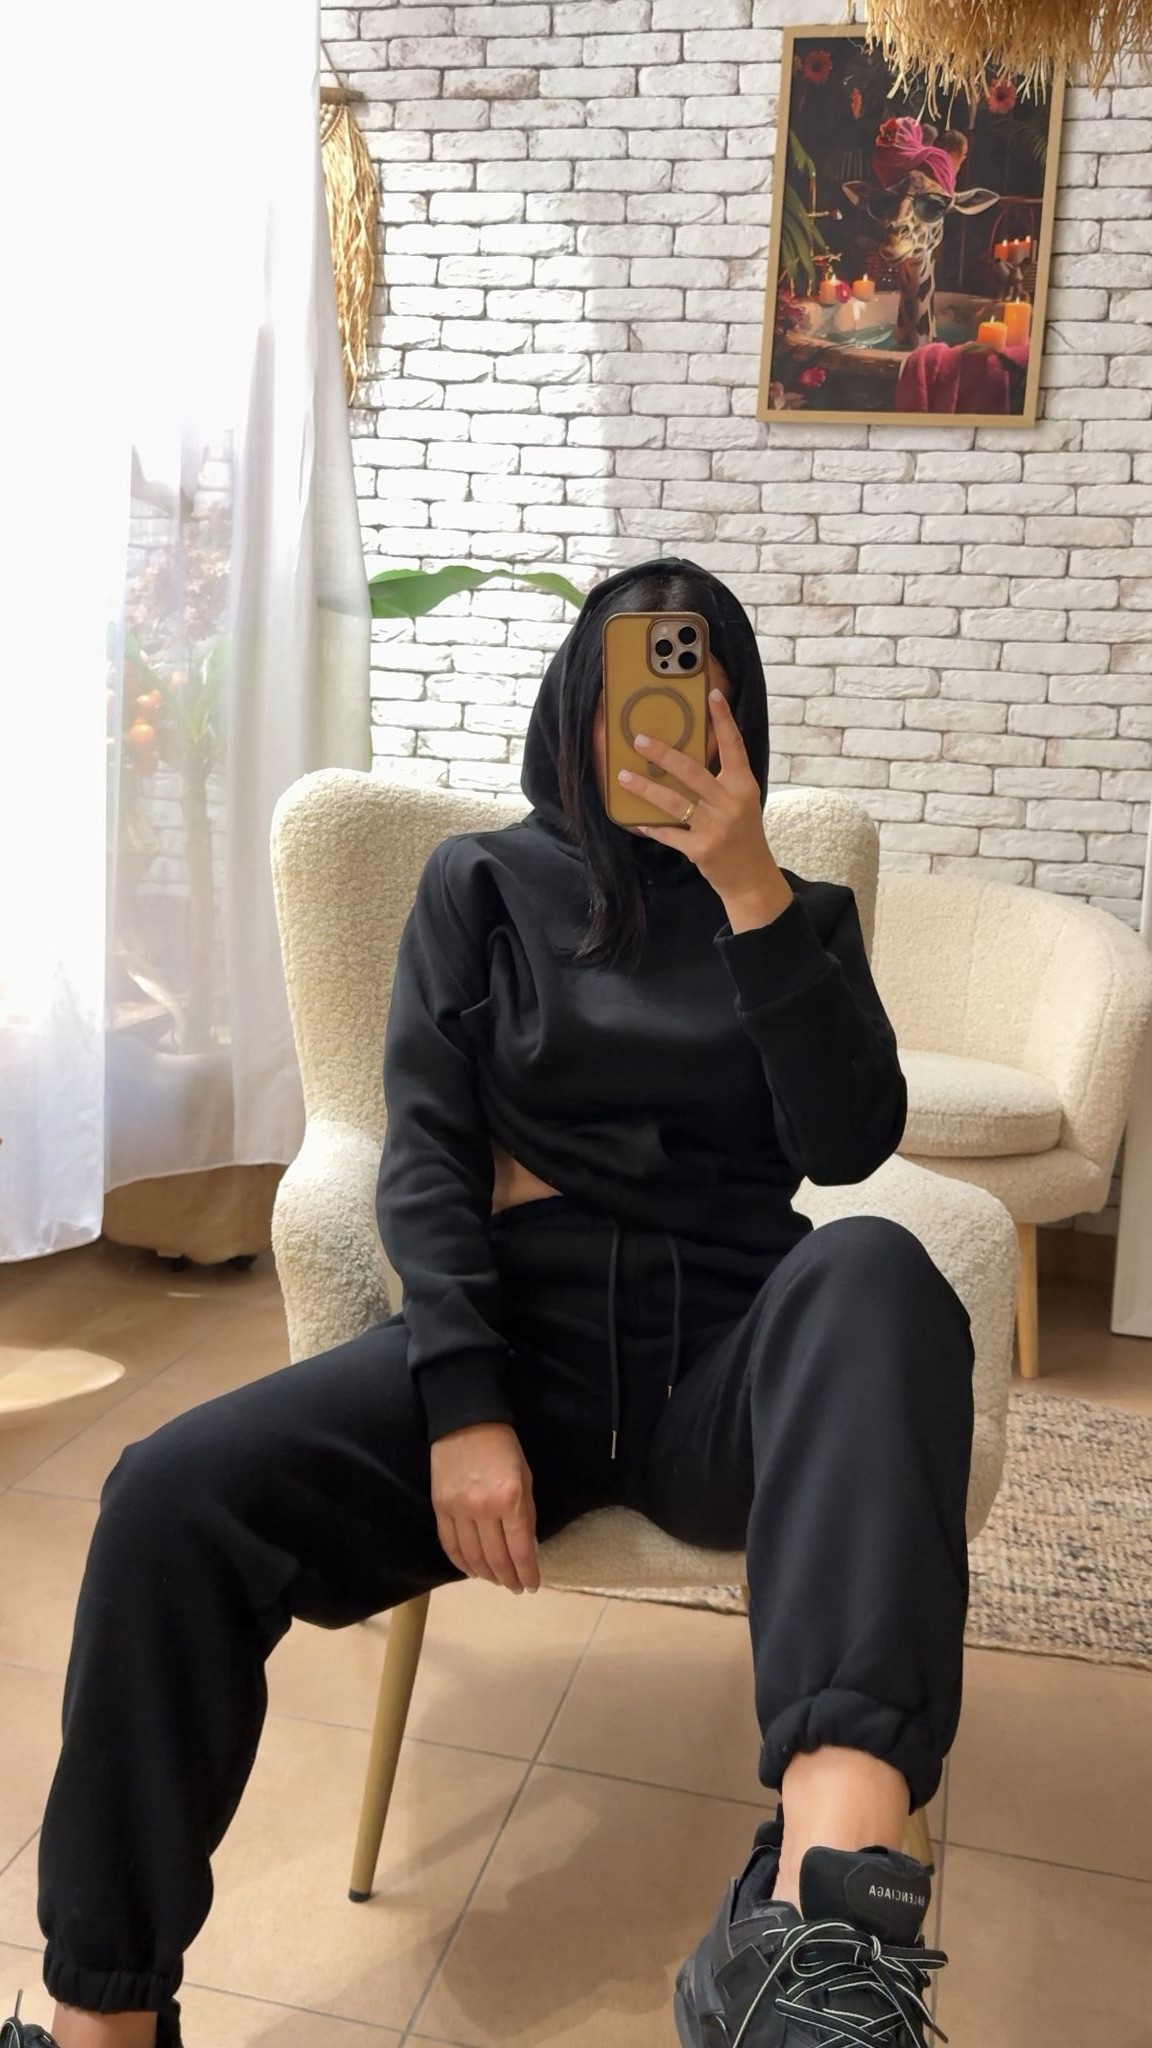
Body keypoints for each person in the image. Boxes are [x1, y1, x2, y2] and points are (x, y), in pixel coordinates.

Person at [7, 557, 974, 2048]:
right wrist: (462, 1404)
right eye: (633, 691)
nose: (664, 725)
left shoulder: (800, 913)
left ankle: (817, 1934)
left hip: (731, 1371)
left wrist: (750, 894)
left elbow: (848, 1144)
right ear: (577, 705)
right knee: (164, 1497)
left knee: (878, 1265)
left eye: (701, 692)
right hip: (516, 1359)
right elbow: (430, 1158)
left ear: (741, 718)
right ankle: (102, 2023)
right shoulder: (480, 887)